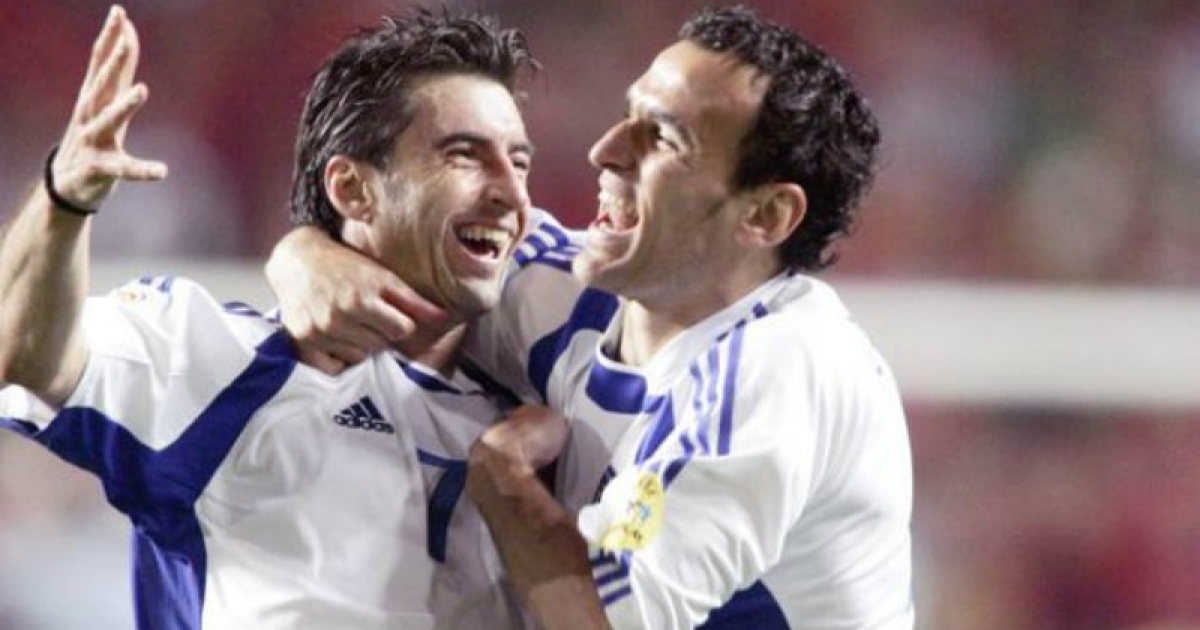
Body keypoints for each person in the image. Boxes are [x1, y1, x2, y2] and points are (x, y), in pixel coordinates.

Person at [268, 5, 914, 630]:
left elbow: (600, 622)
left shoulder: (783, 371)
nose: (605, 151)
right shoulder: (570, 293)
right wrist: (304, 255)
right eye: (629, 116)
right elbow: (407, 234)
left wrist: (502, 475)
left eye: (663, 139)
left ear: (765, 215)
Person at [0, 6, 541, 629]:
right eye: (464, 156)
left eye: (519, 162)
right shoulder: (218, 362)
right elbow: (26, 351)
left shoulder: (544, 397)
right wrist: (63, 199)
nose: (512, 194)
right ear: (353, 189)